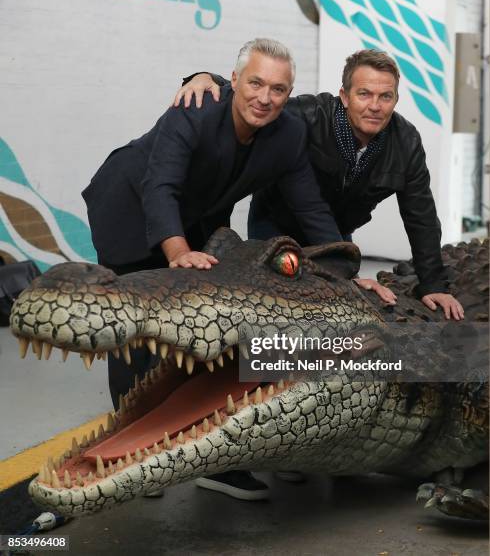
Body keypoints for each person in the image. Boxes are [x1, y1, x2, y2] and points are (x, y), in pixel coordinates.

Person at [82, 38, 343, 500]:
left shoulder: (288, 135)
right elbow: (159, 185)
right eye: (256, 83)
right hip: (129, 205)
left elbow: (312, 206)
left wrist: (345, 266)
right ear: (234, 81)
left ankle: (207, 456)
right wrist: (178, 251)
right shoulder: (196, 107)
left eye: (278, 89)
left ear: (289, 94)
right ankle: (133, 455)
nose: (265, 97)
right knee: (137, 332)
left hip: (196, 212)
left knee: (207, 326)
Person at [174, 49, 464, 321]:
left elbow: (421, 217)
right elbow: (261, 102)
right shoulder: (308, 114)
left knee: (336, 302)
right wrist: (207, 79)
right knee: (273, 302)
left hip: (334, 230)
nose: (375, 106)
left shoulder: (407, 143)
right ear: (345, 96)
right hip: (275, 223)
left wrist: (433, 284)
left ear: (396, 100)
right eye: (364, 94)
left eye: (385, 97)